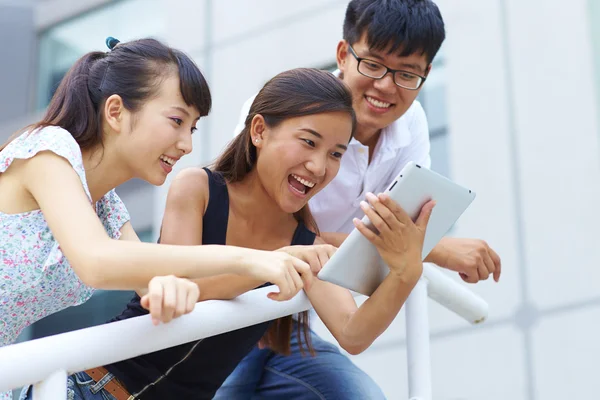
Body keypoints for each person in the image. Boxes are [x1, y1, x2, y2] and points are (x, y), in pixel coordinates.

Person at [50, 67, 434, 400]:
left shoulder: (305, 244)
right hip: (95, 385)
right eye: (308, 142)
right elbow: (173, 289)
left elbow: (353, 333)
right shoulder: (198, 188)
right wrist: (264, 265)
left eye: (336, 153)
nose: (318, 166)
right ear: (259, 131)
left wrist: (405, 272)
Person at [0, 37, 315, 400]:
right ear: (116, 111)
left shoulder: (106, 208)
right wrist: (252, 258)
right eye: (177, 120)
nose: (187, 144)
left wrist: (175, 287)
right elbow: (97, 262)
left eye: (192, 128)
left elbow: (157, 283)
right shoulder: (46, 151)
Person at [217, 0, 503, 398]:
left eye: (407, 74)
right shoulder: (284, 108)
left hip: (293, 316)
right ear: (342, 54)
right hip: (228, 305)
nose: (386, 85)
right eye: (373, 64)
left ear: (425, 76)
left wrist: (409, 256)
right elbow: (265, 235)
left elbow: (383, 245)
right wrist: (437, 250)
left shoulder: (412, 124)